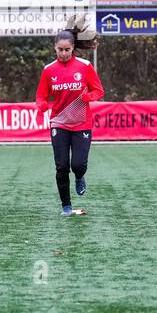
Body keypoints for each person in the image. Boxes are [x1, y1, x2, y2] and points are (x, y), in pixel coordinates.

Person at [35, 28, 104, 218]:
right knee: (62, 166)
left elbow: (99, 91)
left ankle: (80, 176)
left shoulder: (85, 66)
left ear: (73, 48)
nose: (64, 53)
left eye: (67, 50)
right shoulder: (49, 70)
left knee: (78, 165)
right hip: (59, 122)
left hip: (81, 123)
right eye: (60, 50)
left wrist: (88, 96)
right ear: (55, 49)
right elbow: (41, 95)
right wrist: (41, 105)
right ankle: (66, 205)